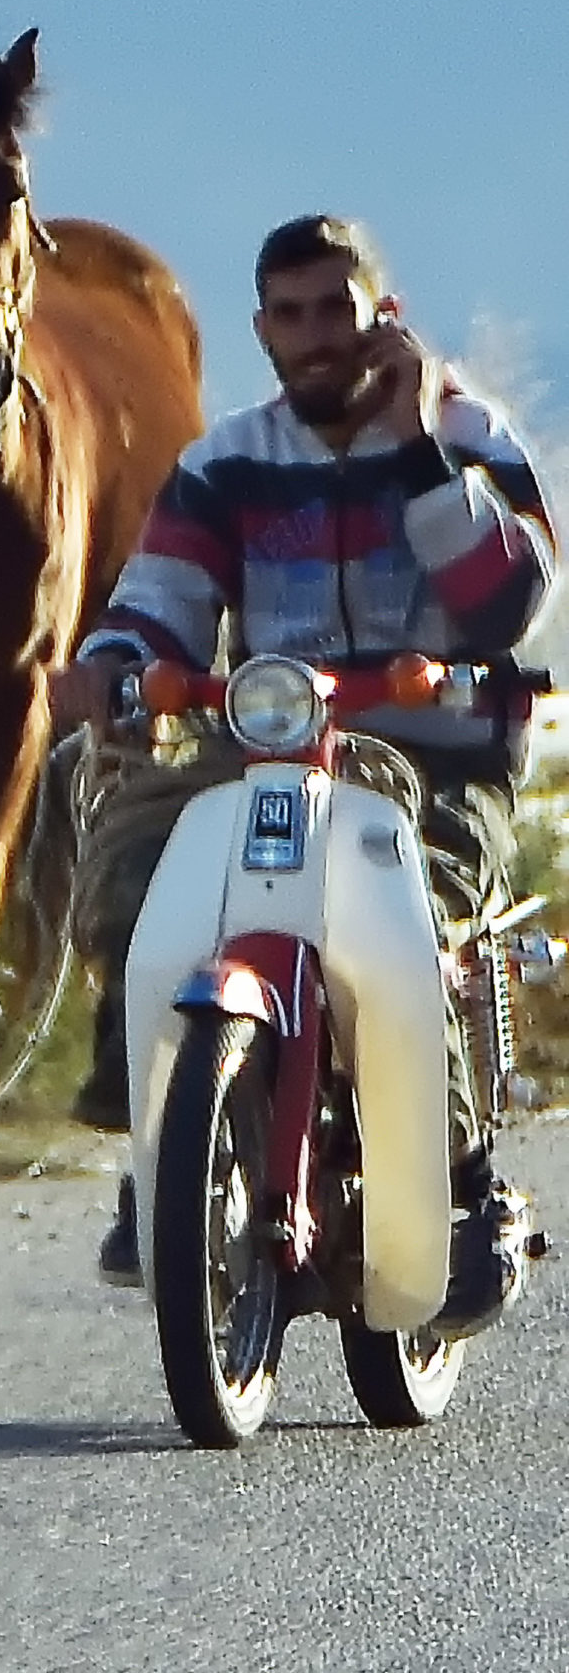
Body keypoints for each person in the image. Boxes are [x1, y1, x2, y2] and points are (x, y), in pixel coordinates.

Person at [50, 213, 559, 1332]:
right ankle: (164, 1132)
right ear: (262, 330)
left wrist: (422, 447)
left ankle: (459, 1179)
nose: (316, 336)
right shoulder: (227, 461)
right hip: (266, 741)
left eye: (337, 308)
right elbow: (159, 603)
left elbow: (509, 599)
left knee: (415, 924)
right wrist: (110, 669)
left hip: (433, 756)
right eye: (291, 315)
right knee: (133, 848)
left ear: (386, 314)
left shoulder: (469, 435)